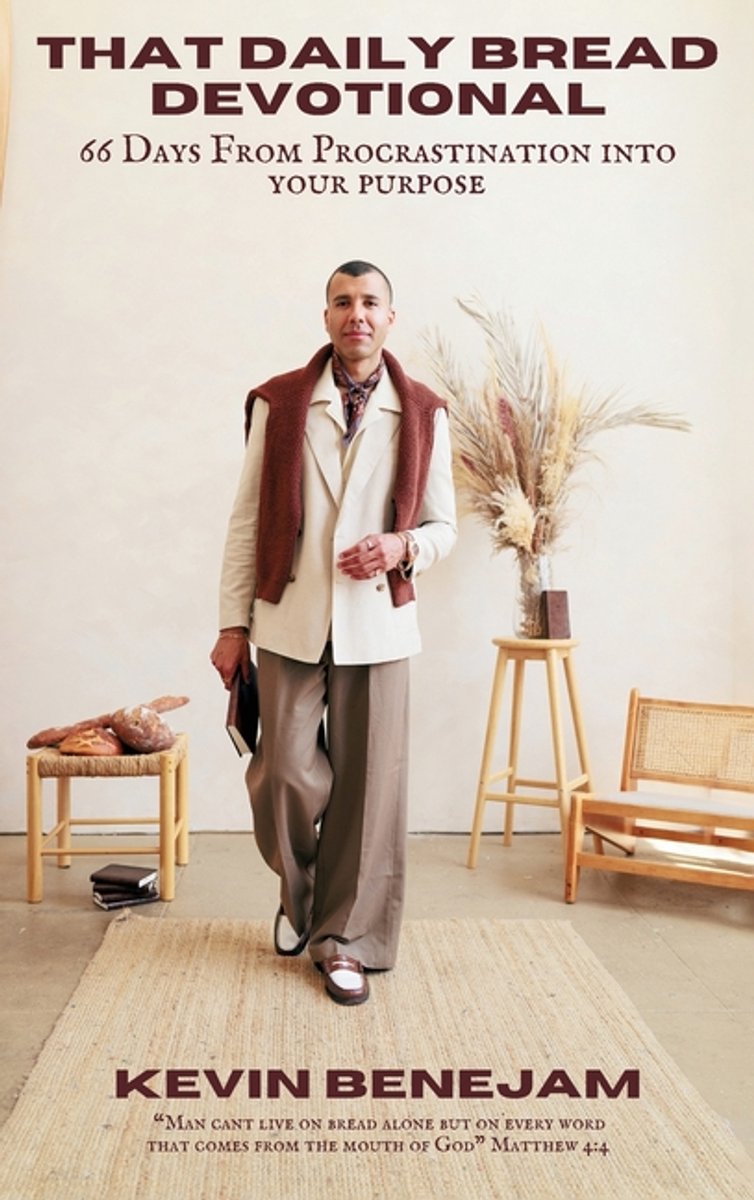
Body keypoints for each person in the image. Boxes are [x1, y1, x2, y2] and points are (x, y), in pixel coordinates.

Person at [210, 260, 456, 1006]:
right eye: (343, 301)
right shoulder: (280, 402)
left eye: (371, 302)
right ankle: (305, 901)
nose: (358, 313)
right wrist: (232, 623)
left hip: (378, 624)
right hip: (289, 619)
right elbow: (247, 523)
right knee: (281, 772)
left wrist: (402, 545)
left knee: (370, 792)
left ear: (390, 318)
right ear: (326, 317)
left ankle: (346, 940)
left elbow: (444, 527)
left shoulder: (425, 411)